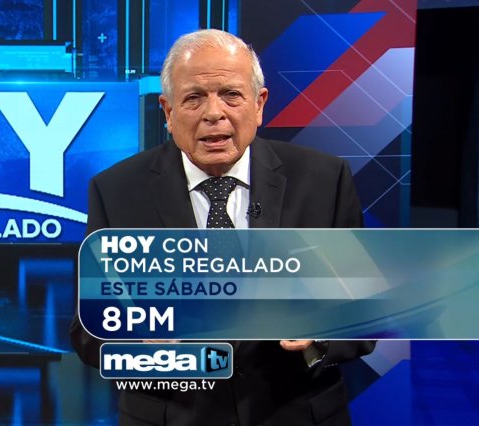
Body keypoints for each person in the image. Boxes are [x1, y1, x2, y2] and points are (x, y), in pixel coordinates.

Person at [70, 29, 375, 426]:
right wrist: (138, 342)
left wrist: (320, 335)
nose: (214, 113)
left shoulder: (323, 180)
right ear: (167, 111)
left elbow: (367, 313)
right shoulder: (116, 191)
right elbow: (87, 333)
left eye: (231, 94)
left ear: (259, 104)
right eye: (194, 98)